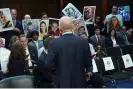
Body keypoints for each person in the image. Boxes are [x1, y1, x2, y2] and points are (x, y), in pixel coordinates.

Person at [45, 16, 92, 88]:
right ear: (73, 26)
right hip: (80, 81)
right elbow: (89, 62)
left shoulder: (54, 43)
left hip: (62, 82)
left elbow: (48, 65)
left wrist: (56, 76)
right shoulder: (84, 41)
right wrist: (88, 72)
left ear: (59, 28)